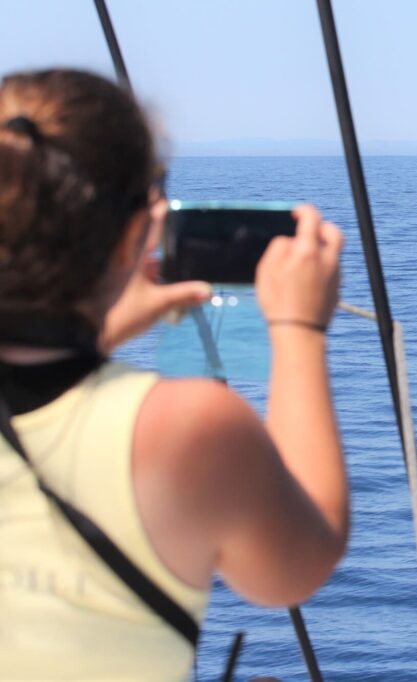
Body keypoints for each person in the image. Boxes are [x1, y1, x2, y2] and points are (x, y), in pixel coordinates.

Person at [0, 69, 349, 679]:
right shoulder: (185, 426)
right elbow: (300, 563)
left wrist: (99, 333)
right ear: (138, 234)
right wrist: (299, 328)